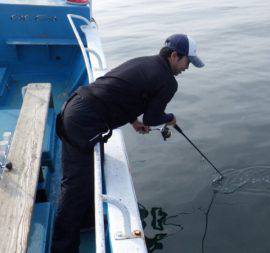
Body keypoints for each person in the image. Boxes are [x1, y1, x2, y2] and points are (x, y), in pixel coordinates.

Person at [51, 34, 204, 253]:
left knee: (84, 177)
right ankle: (62, 248)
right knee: (76, 187)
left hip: (76, 106)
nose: (188, 67)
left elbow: (121, 90)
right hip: (85, 122)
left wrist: (133, 121)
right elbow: (153, 118)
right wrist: (170, 118)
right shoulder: (168, 82)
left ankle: (85, 221)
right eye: (188, 61)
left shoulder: (145, 62)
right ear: (174, 56)